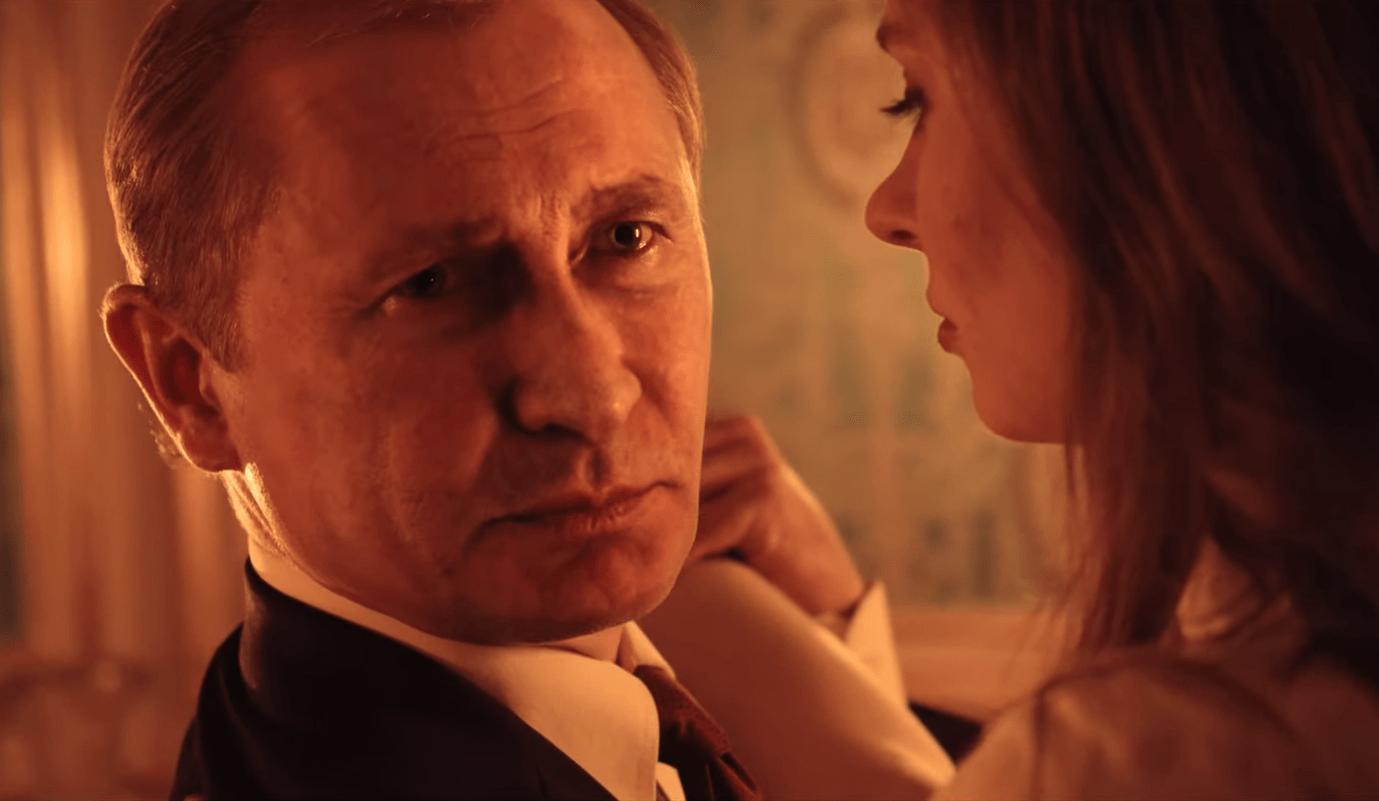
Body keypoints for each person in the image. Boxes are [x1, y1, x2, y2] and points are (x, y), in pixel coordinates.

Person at [99, 1, 952, 799]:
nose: (593, 393)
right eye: (431, 283)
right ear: (189, 382)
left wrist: (825, 634)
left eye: (624, 237)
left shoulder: (672, 660)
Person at [689, 0, 1379, 798]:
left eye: (916, 99)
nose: (885, 213)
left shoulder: (1147, 756)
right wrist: (831, 625)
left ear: (1147, 133)